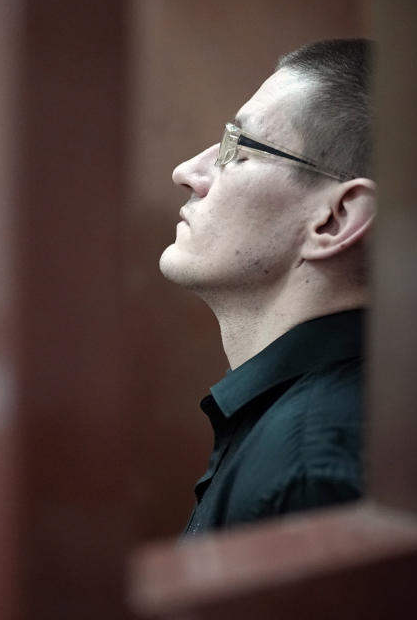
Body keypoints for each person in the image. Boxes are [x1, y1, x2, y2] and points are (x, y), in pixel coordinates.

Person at [159, 39, 375, 534]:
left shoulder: (310, 473)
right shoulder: (305, 435)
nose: (188, 173)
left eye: (238, 147)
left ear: (335, 219)